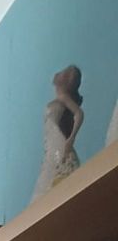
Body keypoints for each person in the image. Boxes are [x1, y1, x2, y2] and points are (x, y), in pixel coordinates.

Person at [32, 66, 84, 200]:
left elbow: (79, 114)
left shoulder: (63, 98)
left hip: (59, 143)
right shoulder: (59, 99)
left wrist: (71, 138)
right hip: (51, 144)